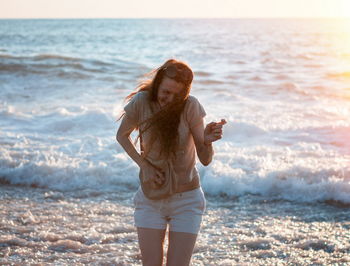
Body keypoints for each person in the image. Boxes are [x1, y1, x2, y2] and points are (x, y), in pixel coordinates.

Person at [116, 59, 226, 266]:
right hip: (150, 198)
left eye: (177, 95)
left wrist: (207, 142)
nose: (170, 99)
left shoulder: (190, 106)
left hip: (187, 200)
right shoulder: (141, 101)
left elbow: (205, 159)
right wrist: (145, 166)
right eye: (166, 92)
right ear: (157, 83)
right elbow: (122, 136)